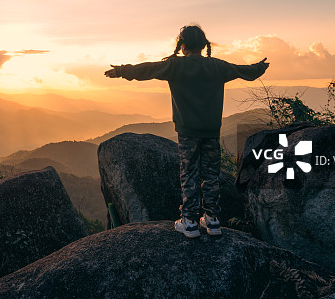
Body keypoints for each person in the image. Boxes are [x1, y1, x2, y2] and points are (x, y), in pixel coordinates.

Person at [104, 24, 269, 238]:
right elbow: (243, 70)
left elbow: (148, 69)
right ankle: (213, 219)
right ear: (203, 45)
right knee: (210, 174)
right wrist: (259, 67)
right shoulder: (216, 66)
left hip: (187, 132)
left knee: (189, 173)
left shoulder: (175, 66)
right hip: (211, 131)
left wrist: (122, 71)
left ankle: (190, 221)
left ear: (182, 45)